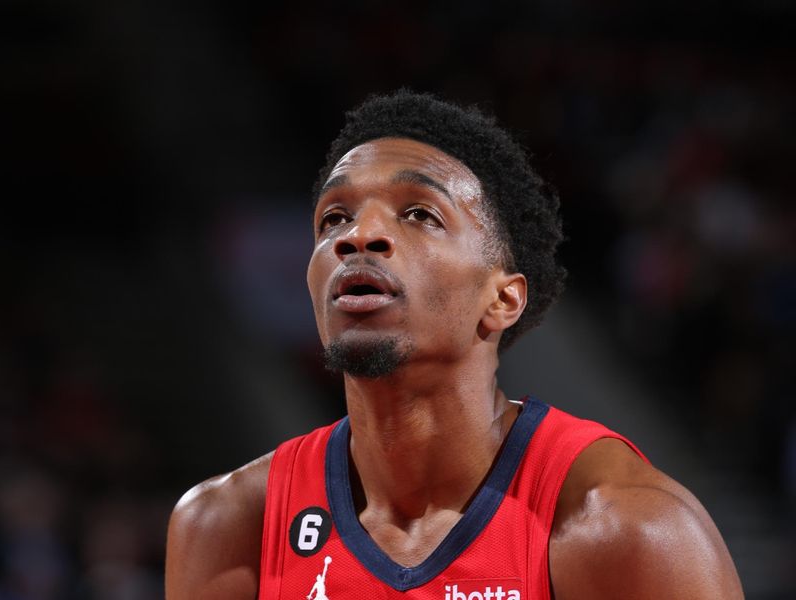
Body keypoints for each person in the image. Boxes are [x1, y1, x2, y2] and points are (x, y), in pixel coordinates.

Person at [165, 90, 743, 599]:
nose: (357, 236)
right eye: (333, 218)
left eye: (420, 213)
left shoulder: (624, 527)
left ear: (502, 300)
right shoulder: (230, 525)